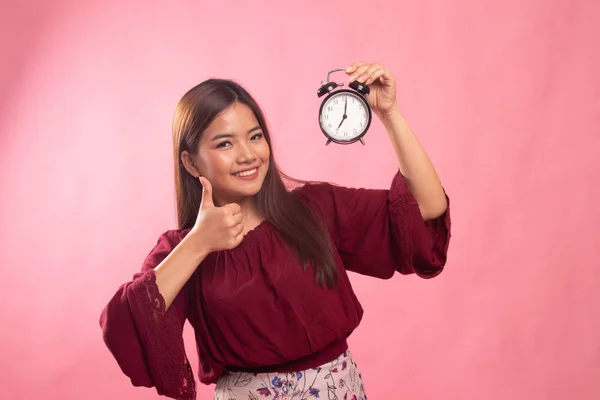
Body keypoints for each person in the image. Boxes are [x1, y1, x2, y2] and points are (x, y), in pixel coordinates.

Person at [99, 61, 451, 400]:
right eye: (225, 143)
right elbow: (125, 326)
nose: (247, 155)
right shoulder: (182, 248)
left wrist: (390, 115)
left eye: (255, 137)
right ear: (191, 162)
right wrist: (199, 242)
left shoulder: (316, 207)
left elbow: (426, 208)